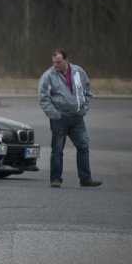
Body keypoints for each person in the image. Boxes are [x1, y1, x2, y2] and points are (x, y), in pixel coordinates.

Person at [38, 49, 101, 188]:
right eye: (54, 62)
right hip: (59, 118)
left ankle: (85, 179)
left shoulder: (78, 71)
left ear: (66, 60)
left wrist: (83, 109)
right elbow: (43, 98)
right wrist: (54, 115)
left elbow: (87, 91)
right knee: (57, 150)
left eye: (59, 62)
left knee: (83, 146)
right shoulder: (48, 76)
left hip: (77, 118)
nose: (56, 65)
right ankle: (55, 179)